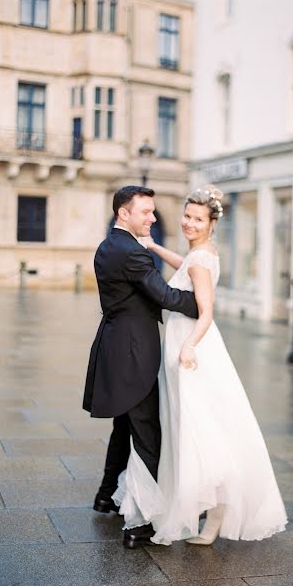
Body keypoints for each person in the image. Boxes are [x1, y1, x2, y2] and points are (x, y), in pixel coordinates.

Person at [113, 184, 287, 546]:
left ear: (211, 224)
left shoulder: (203, 258)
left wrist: (189, 346)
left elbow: (207, 310)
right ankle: (209, 512)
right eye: (187, 216)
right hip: (185, 346)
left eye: (198, 219)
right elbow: (186, 267)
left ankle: (215, 515)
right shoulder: (200, 254)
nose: (189, 223)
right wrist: (157, 248)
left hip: (192, 350)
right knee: (192, 425)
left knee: (200, 429)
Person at [83, 185, 198, 549]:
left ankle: (105, 496)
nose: (152, 218)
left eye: (151, 212)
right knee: (148, 434)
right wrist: (203, 302)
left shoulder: (108, 245)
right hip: (133, 355)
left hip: (115, 346)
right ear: (123, 213)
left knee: (123, 426)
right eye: (146, 212)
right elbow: (164, 296)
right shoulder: (133, 253)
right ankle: (140, 524)